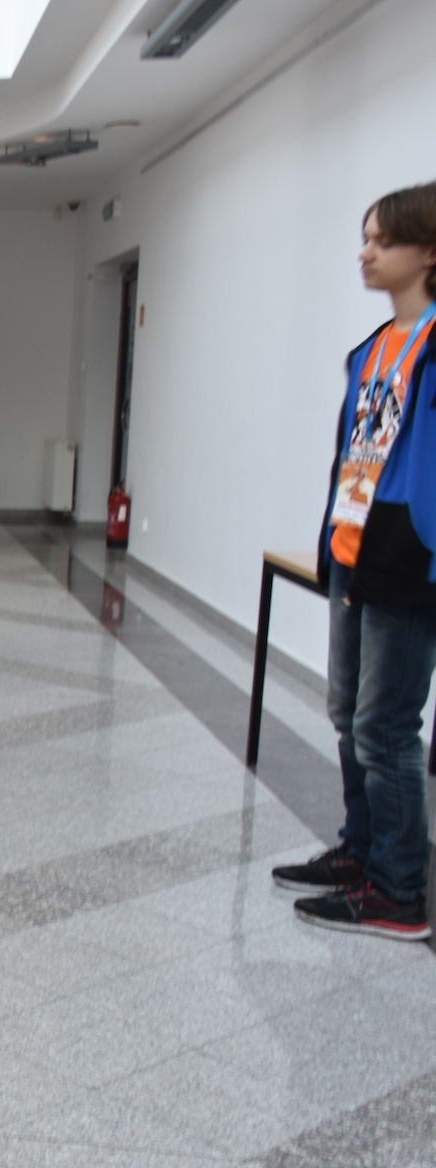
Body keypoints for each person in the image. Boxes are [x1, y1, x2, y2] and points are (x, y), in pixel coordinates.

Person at [272, 181, 436, 942]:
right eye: (365, 237)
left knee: (386, 728)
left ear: (428, 252)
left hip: (409, 562)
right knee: (349, 716)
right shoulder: (372, 349)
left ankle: (400, 890)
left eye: (383, 240)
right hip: (354, 552)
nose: (365, 252)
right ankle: (362, 852)